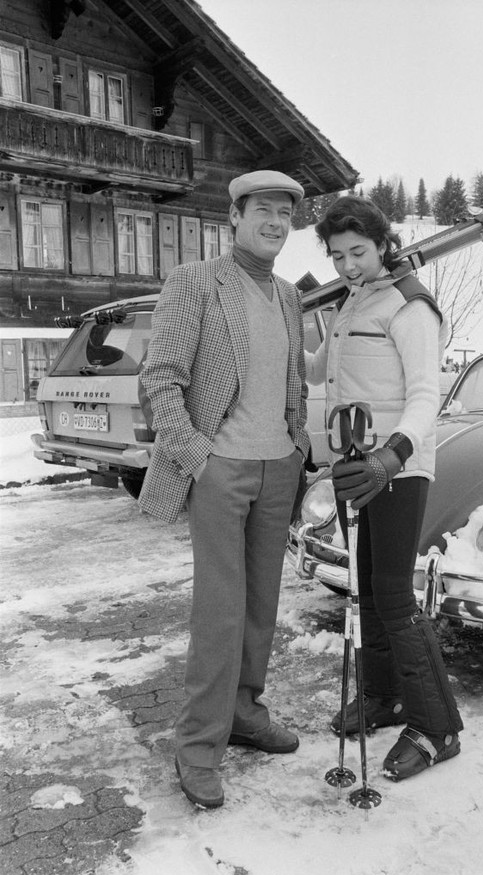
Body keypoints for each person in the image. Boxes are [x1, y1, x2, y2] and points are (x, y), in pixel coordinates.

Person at [139, 170, 310, 809]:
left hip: (278, 468)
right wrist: (198, 457)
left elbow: (291, 378)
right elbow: (161, 379)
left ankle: (244, 712)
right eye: (262, 211)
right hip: (221, 470)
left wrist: (298, 445)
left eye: (284, 216)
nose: (274, 223)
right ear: (233, 217)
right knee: (220, 610)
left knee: (262, 604)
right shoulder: (194, 282)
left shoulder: (289, 295)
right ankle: (197, 745)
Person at [306, 196, 463, 781]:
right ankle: (384, 697)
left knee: (394, 594)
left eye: (358, 252)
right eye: (338, 255)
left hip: (396, 467)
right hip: (355, 465)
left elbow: (428, 395)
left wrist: (390, 457)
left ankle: (436, 726)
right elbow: (317, 369)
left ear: (383, 244)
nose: (347, 265)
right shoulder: (351, 302)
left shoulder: (410, 306)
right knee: (367, 590)